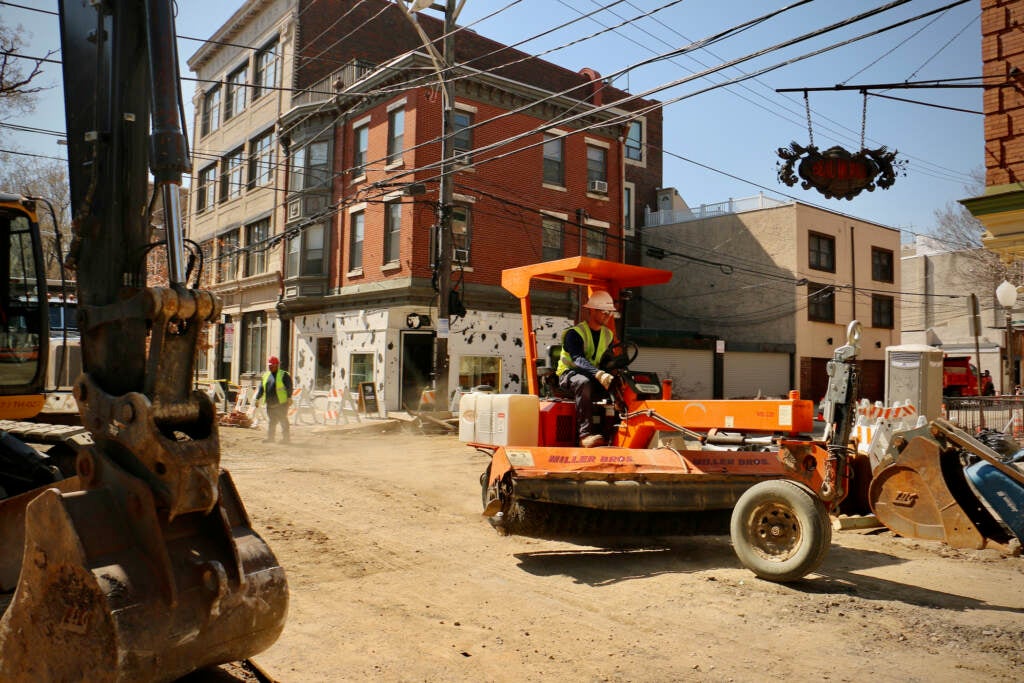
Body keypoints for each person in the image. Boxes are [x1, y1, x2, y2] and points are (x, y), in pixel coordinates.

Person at [555, 290, 618, 448]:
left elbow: (606, 359)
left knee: (620, 384)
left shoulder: (608, 335)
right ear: (592, 310)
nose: (607, 315)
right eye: (604, 312)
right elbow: (578, 359)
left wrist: (613, 373)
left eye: (609, 312)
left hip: (594, 375)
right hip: (569, 375)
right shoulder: (574, 334)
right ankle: (585, 436)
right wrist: (598, 374)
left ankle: (614, 432)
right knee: (583, 382)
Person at [255, 355, 293, 443]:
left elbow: (289, 386)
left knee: (283, 421)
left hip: (281, 404)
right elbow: (261, 388)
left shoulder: (283, 375)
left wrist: (289, 397)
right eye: (269, 365)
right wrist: (257, 399)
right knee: (272, 422)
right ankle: (271, 438)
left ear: (277, 365)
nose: (270, 367)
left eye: (272, 365)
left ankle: (286, 439)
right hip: (270, 404)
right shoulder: (265, 376)